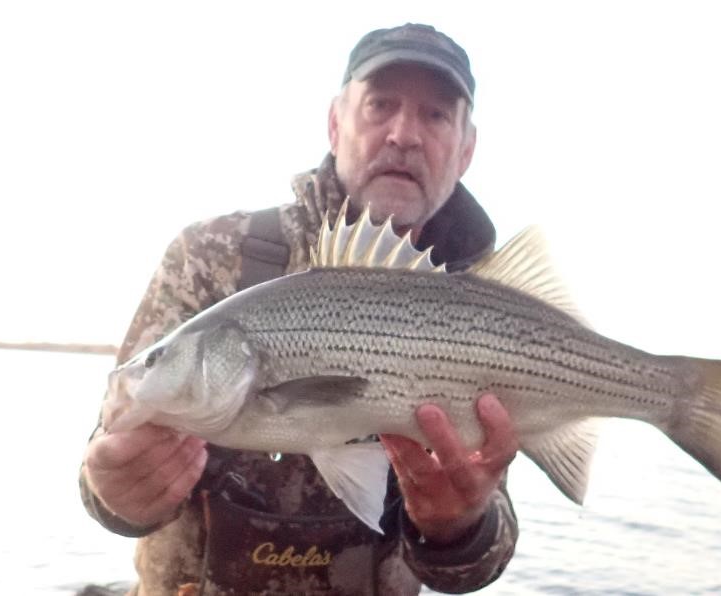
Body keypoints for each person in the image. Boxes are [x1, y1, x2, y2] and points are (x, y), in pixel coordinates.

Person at [80, 23, 519, 596]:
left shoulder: (488, 302)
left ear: (466, 150)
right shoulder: (210, 256)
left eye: (436, 116)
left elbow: (483, 554)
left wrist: (459, 527)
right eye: (380, 104)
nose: (404, 134)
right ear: (336, 124)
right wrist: (113, 492)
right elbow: (112, 439)